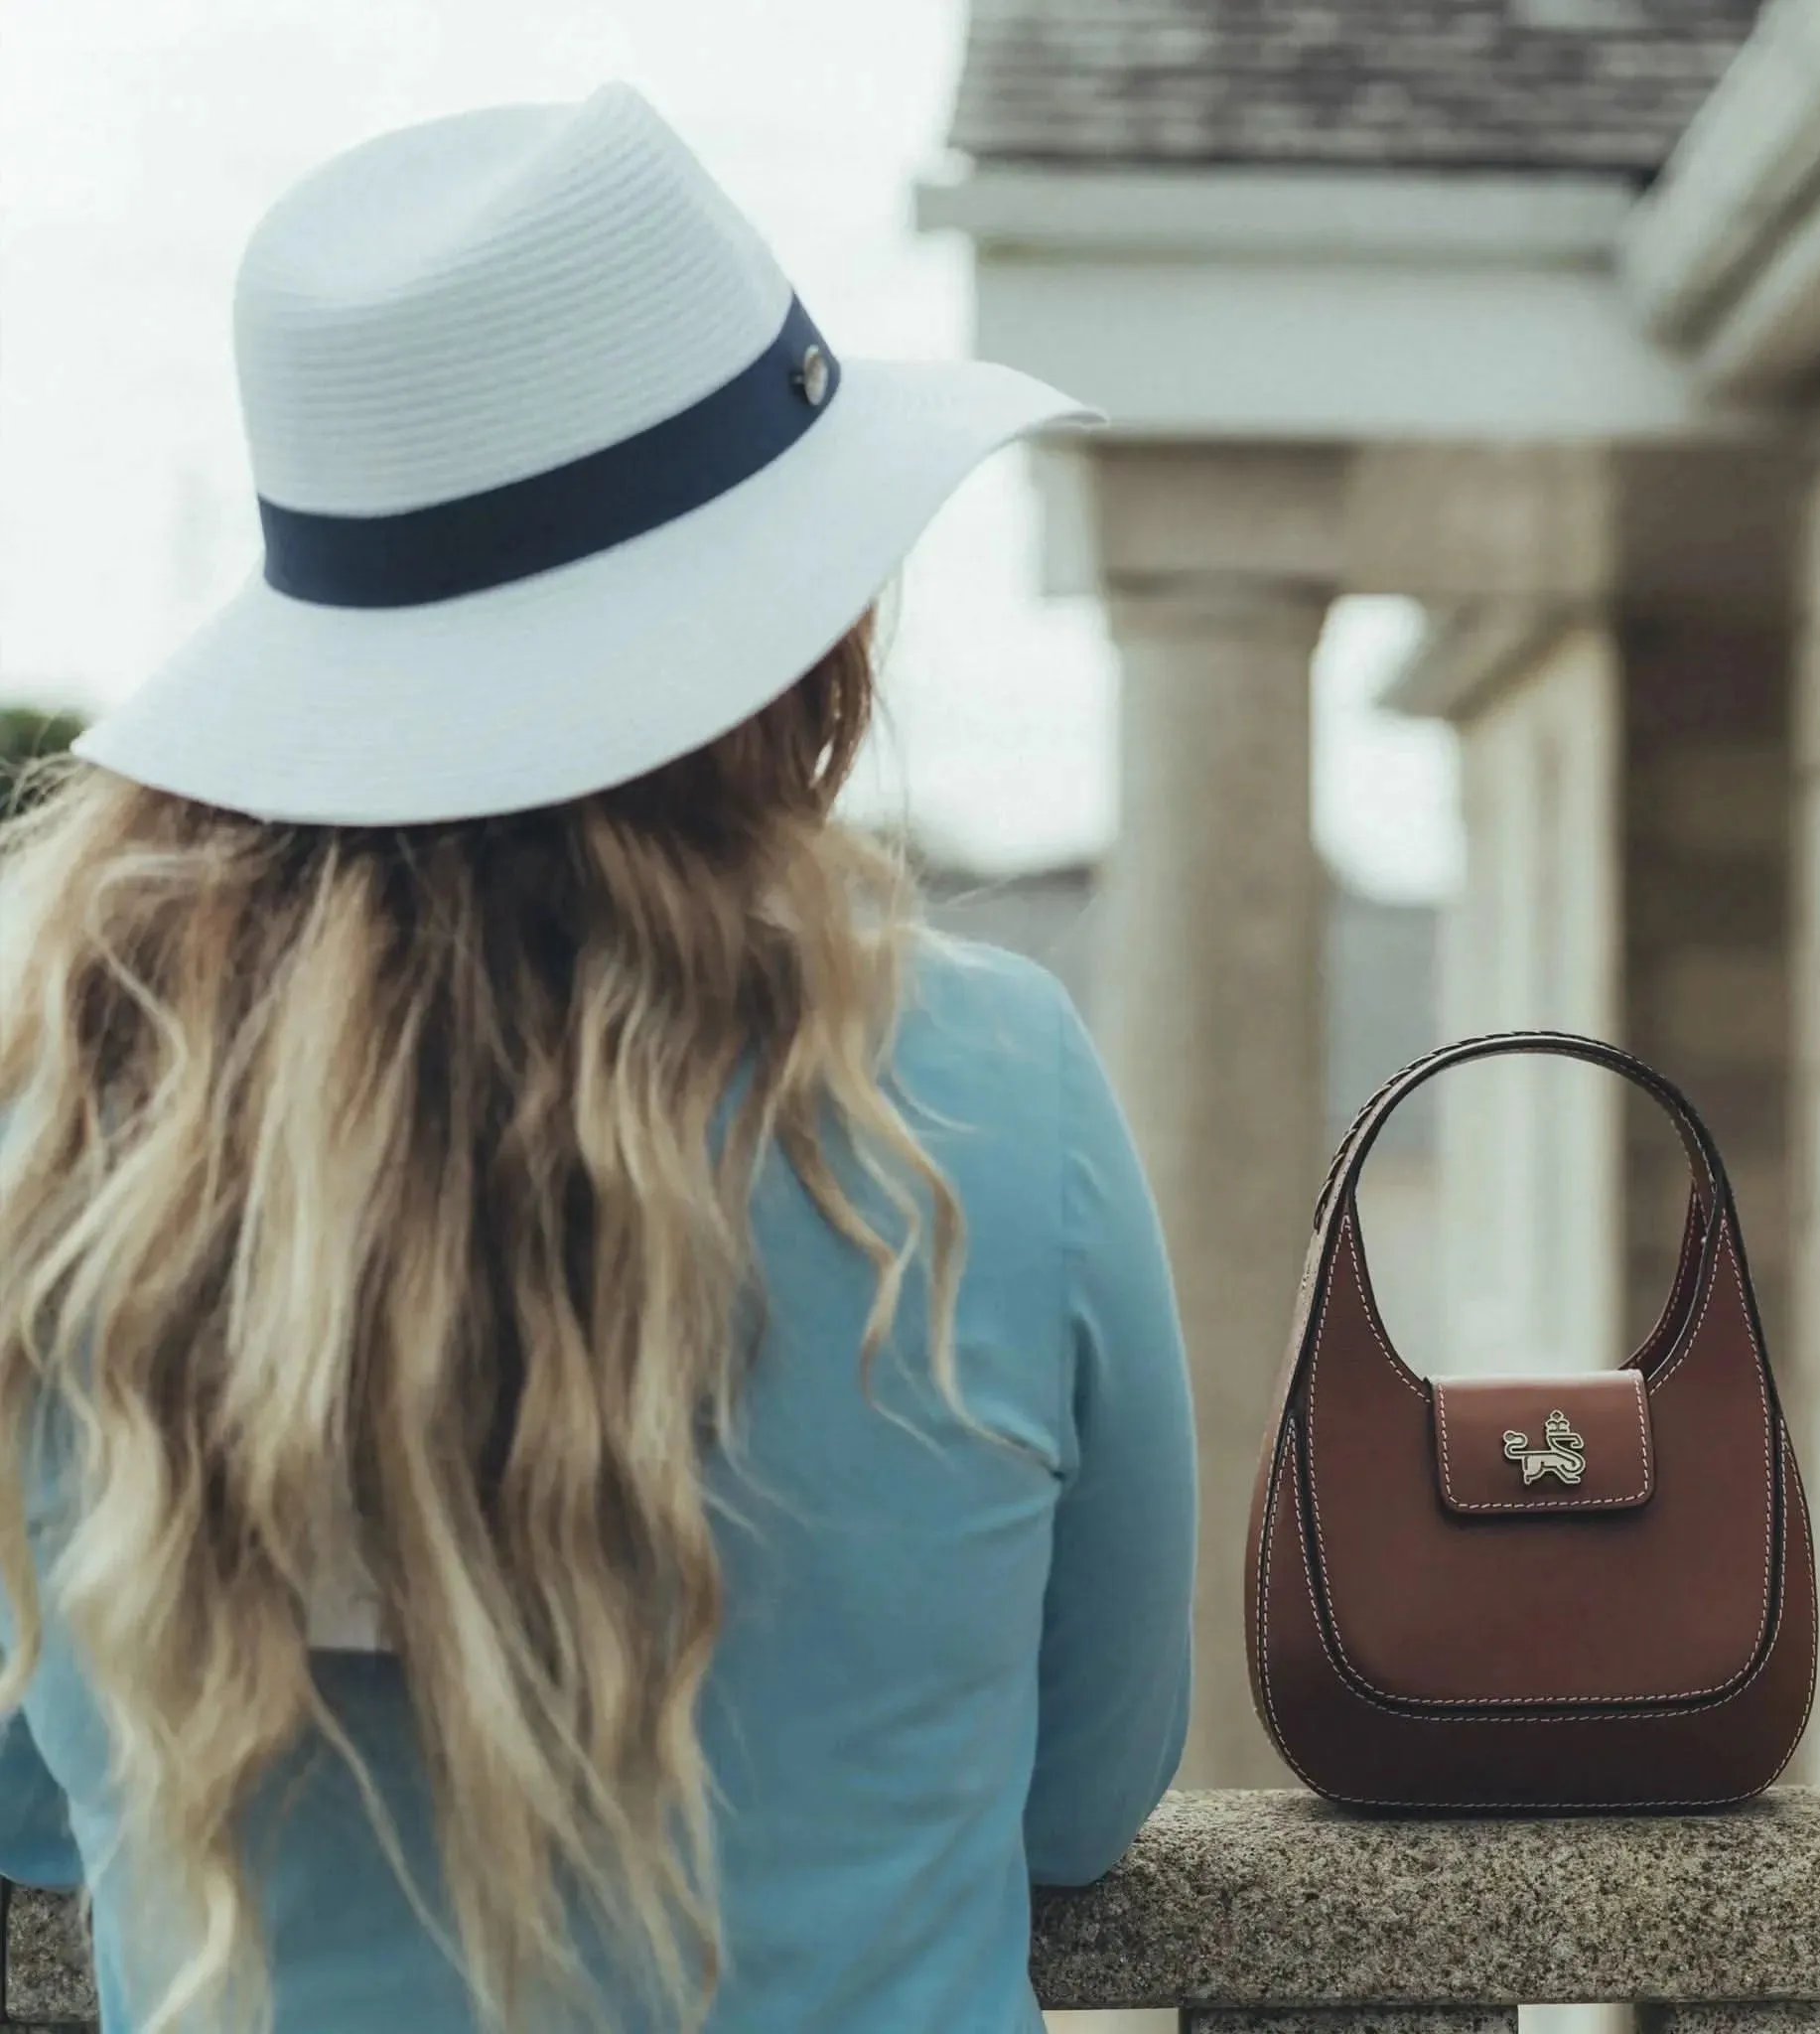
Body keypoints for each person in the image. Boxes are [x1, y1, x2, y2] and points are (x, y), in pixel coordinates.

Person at [0, 82, 1195, 2034]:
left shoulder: (72, 1132)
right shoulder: (984, 1093)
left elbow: (44, 1809)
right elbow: (1088, 1790)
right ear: (803, 645)